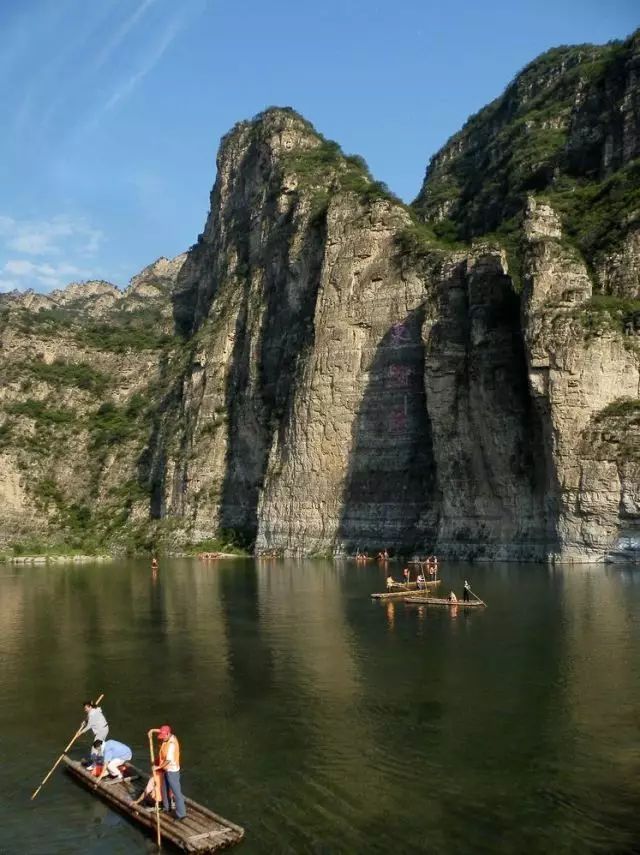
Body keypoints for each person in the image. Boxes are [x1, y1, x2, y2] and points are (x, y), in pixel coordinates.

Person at [149, 725, 186, 820]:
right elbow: (161, 731)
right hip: (166, 770)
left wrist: (157, 767)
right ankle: (167, 807)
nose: (162, 738)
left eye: (163, 736)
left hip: (172, 771)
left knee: (176, 792)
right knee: (164, 788)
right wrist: (152, 731)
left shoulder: (171, 745)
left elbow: (168, 761)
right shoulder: (169, 735)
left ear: (168, 734)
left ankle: (181, 814)